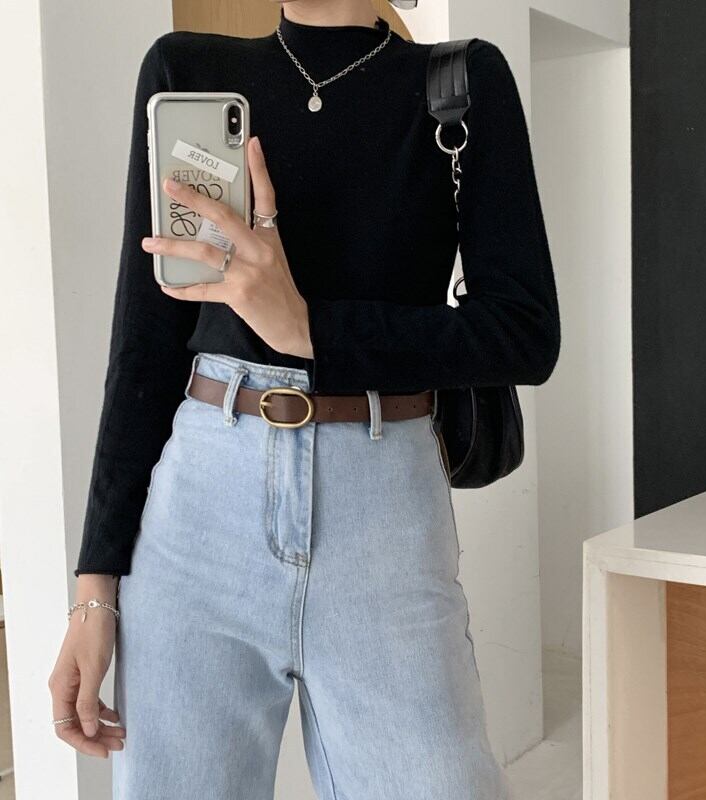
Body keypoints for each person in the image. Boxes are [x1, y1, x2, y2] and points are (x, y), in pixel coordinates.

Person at [48, 0, 560, 797]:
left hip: (383, 515)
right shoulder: (188, 72)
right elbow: (142, 349)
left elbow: (525, 332)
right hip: (198, 514)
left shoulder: (458, 84)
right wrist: (94, 594)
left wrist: (309, 328)